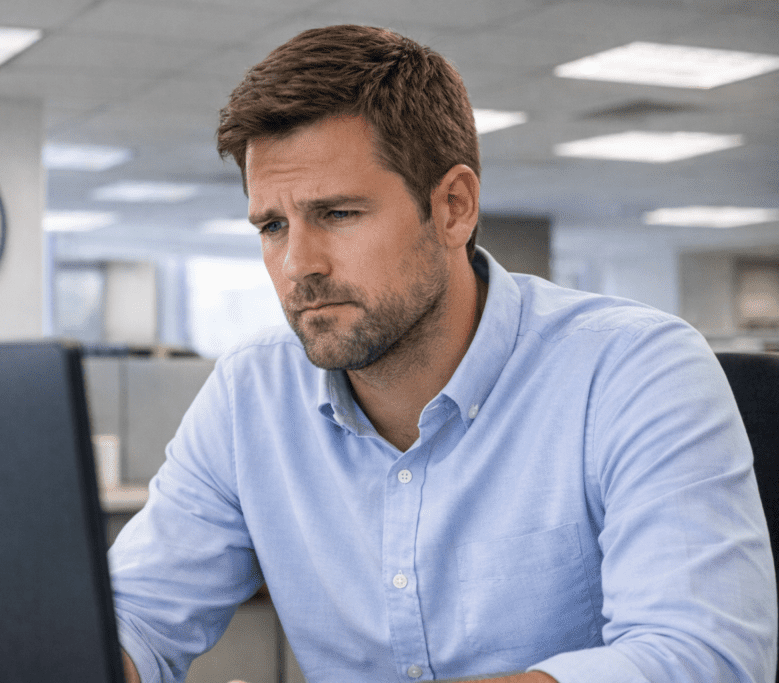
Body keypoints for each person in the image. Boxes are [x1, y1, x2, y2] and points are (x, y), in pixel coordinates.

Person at [110, 24, 777, 683]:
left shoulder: (635, 369)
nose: (297, 265)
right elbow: (136, 614)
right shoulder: (250, 393)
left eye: (339, 213)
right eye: (272, 225)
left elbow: (701, 658)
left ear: (453, 207)